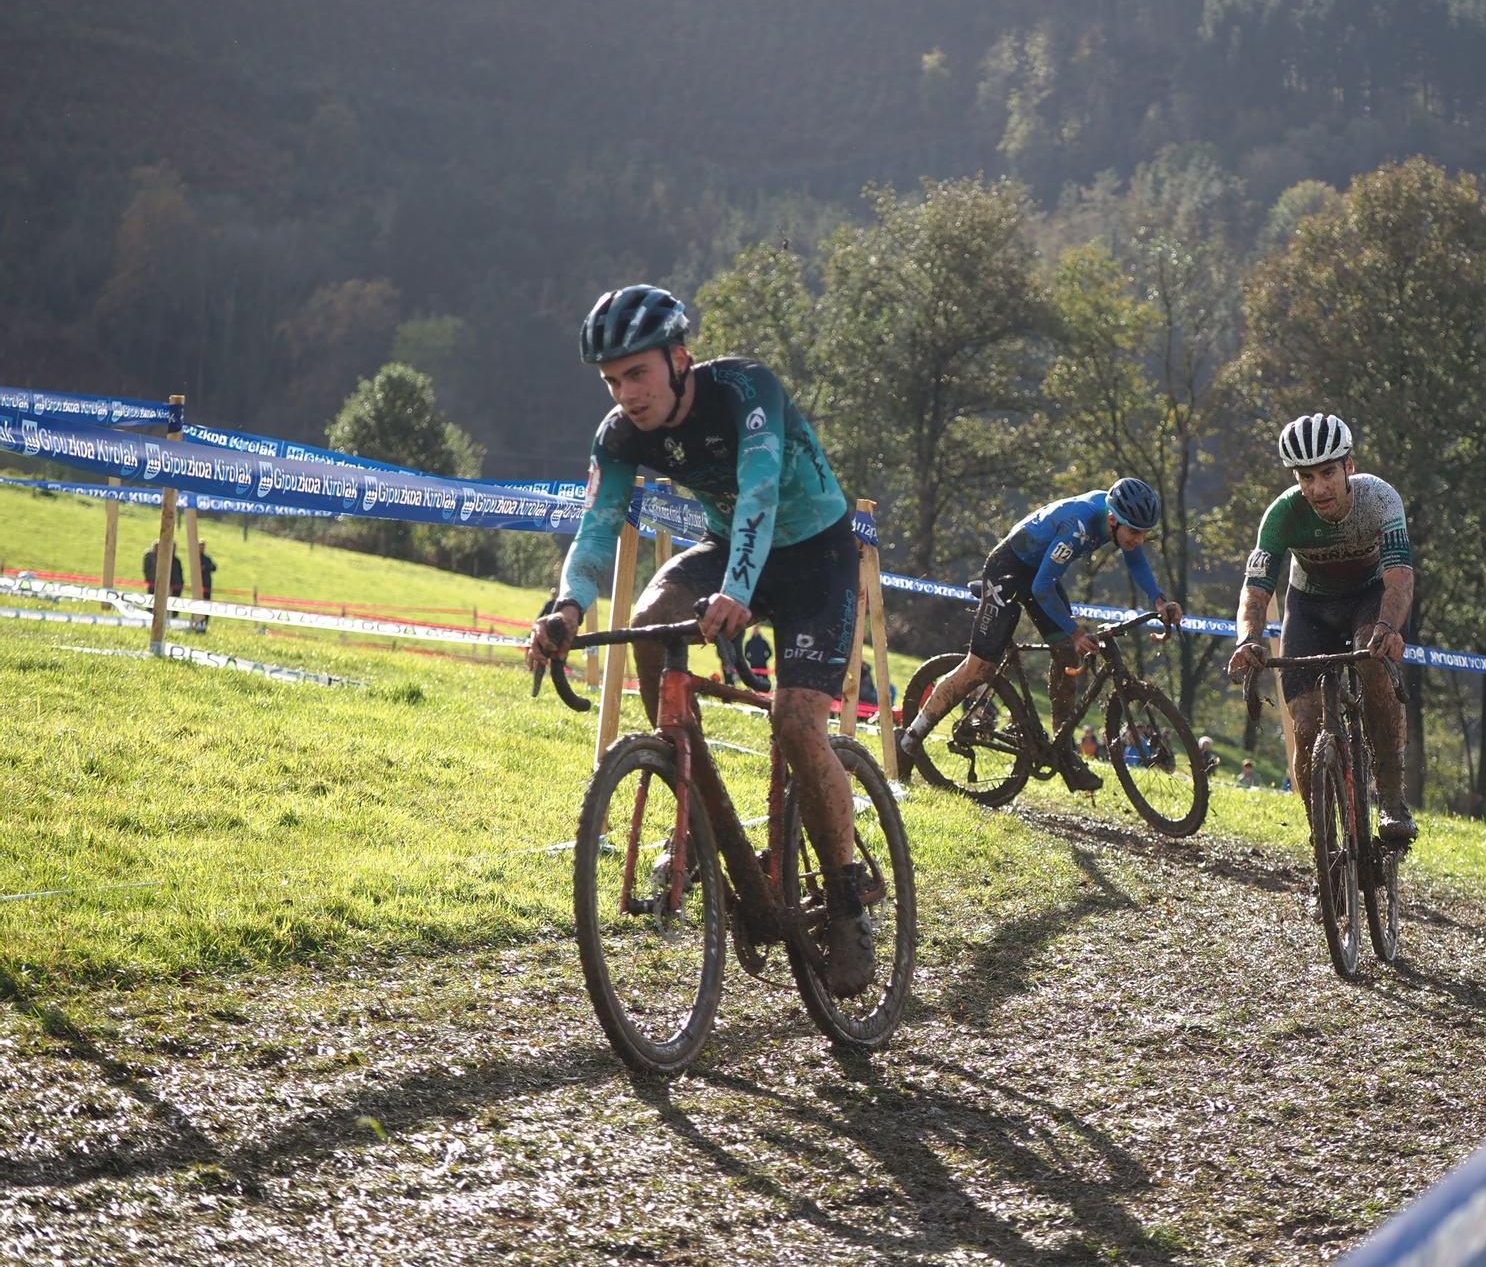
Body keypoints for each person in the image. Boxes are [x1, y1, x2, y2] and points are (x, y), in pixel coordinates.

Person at [525, 284, 875, 998]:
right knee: (653, 619)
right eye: (612, 380)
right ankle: (690, 800)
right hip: (728, 550)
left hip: (815, 557)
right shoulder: (618, 435)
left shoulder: (748, 390)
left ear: (680, 359)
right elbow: (597, 526)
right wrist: (567, 611)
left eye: (638, 373)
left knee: (796, 722)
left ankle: (845, 900)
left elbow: (759, 493)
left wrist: (741, 591)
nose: (626, 393)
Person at [897, 480, 1183, 791]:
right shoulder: (1079, 526)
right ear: (1113, 520)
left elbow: (1135, 559)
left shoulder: (1117, 523)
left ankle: (1063, 751)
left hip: (1040, 572)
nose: (1140, 540)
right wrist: (1075, 632)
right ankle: (910, 738)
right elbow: (1042, 588)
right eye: (1135, 532)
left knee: (1066, 653)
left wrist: (1158, 599)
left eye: (1145, 532)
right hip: (1008, 571)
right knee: (977, 670)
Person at [1227, 413, 1417, 844]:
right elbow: (1255, 593)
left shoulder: (1380, 500)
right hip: (1309, 607)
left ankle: (1390, 798)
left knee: (1373, 664)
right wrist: (1248, 639)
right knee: (1307, 721)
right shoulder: (1282, 515)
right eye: (1306, 477)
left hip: (1369, 599)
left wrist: (1388, 627)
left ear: (1349, 466)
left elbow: (1399, 577)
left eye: (1328, 473)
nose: (1318, 488)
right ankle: (1324, 845)